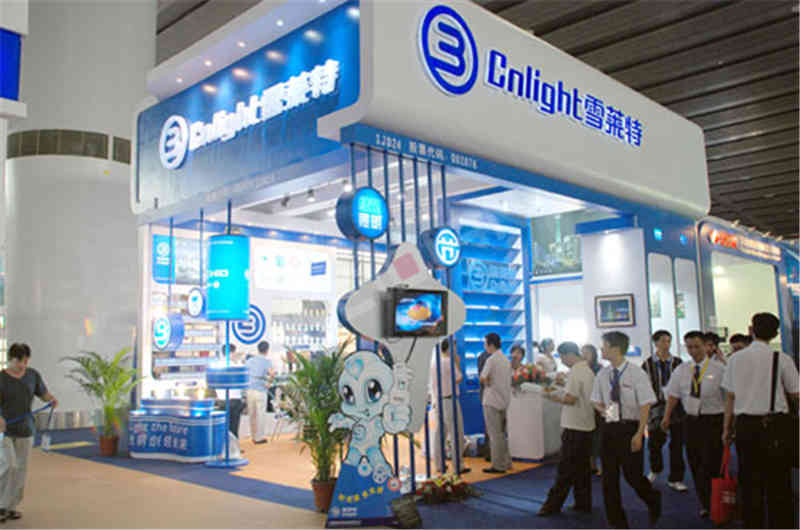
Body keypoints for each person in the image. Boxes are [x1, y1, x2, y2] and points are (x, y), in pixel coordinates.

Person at [722, 312, 799, 529]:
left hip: (745, 427)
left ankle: (752, 524)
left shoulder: (735, 359)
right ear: (775, 334)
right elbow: (796, 393)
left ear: (751, 330)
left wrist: (726, 429)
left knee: (749, 482)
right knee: (779, 483)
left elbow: (730, 397)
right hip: (775, 427)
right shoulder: (781, 359)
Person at [591, 331, 661, 529]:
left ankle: (653, 499)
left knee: (633, 476)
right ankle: (617, 522)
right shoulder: (603, 374)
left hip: (630, 428)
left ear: (615, 348)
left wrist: (640, 433)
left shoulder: (636, 373)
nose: (601, 349)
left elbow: (646, 404)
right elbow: (595, 399)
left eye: (604, 346)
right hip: (609, 427)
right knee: (609, 478)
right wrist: (604, 410)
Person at [661, 331, 726, 518]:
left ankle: (718, 501)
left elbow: (730, 398)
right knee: (695, 462)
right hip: (690, 421)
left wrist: (730, 424)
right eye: (689, 347)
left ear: (706, 346)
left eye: (697, 346)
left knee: (712, 464)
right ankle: (705, 503)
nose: (693, 351)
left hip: (714, 420)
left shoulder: (719, 369)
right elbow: (673, 395)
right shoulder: (682, 370)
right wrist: (666, 417)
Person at [0, 343, 58, 522]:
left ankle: (11, 506)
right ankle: (1, 505)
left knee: (21, 470)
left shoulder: (32, 375)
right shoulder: (1, 378)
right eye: (18, 361)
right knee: (9, 466)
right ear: (10, 359)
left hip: (25, 429)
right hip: (4, 430)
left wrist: (51, 399)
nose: (22, 365)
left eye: (25, 361)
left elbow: (43, 393)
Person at [538, 342, 596, 516]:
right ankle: (583, 503)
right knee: (582, 468)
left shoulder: (577, 371)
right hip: (586, 424)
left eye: (562, 358)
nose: (562, 362)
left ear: (569, 355)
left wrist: (551, 396)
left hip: (574, 426)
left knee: (565, 468)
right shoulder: (587, 370)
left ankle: (552, 506)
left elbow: (571, 399)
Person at [642, 330, 687, 491]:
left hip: (677, 406)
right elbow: (644, 386)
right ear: (655, 343)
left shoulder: (678, 362)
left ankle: (676, 478)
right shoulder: (647, 364)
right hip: (656, 406)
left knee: (677, 444)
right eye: (663, 341)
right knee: (654, 443)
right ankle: (655, 469)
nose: (666, 344)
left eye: (668, 341)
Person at [429, 339, 470, 474]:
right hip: (450, 400)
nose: (456, 351)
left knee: (440, 434)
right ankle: (458, 465)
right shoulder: (448, 362)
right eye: (454, 348)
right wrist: (457, 363)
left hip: (439, 401)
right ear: (449, 348)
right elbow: (458, 378)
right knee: (456, 433)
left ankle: (439, 464)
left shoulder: (434, 363)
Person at [479, 332, 512, 474]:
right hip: (504, 400)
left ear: (491, 345)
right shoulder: (505, 359)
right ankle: (506, 462)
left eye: (485, 344)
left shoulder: (491, 360)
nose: (484, 346)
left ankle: (498, 465)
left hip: (491, 401)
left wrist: (487, 382)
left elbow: (482, 377)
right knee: (502, 434)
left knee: (494, 435)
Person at [246, 340, 274, 444]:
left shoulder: (250, 360)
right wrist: (269, 383)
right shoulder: (267, 362)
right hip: (261, 390)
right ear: (267, 350)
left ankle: (253, 436)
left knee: (252, 414)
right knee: (260, 414)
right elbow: (272, 374)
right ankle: (259, 437)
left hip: (249, 389)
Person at [582, 344, 603, 475]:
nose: (584, 356)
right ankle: (591, 465)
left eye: (587, 353)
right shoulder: (579, 368)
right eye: (582, 353)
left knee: (598, 437)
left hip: (597, 408)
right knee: (587, 438)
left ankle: (600, 465)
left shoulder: (599, 369)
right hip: (584, 408)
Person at [476, 347, 493, 462]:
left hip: (489, 395)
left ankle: (490, 453)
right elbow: (483, 377)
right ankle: (490, 453)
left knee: (490, 426)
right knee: (490, 426)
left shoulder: (486, 357)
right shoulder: (486, 357)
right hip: (488, 395)